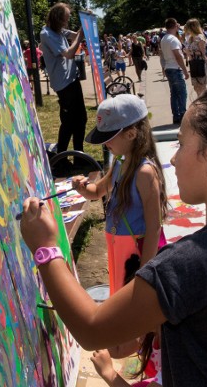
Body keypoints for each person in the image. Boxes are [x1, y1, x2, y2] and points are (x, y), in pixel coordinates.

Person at [20, 86, 207, 387]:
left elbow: (91, 330)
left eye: (181, 144)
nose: (175, 159)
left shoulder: (186, 264)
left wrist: (47, 249)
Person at [70, 94, 168, 294]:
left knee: (137, 308)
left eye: (108, 138)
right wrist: (82, 188)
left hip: (138, 252)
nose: (105, 144)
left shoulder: (144, 172)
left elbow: (154, 228)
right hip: (120, 248)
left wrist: (145, 272)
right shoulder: (120, 163)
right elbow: (97, 191)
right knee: (121, 297)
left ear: (131, 134)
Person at [39, 2, 88, 155]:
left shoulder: (59, 30)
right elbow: (68, 53)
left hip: (72, 79)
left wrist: (86, 21)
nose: (66, 22)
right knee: (69, 122)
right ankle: (61, 157)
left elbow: (75, 34)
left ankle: (78, 155)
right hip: (63, 85)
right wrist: (79, 38)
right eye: (65, 19)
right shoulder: (47, 34)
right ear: (57, 18)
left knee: (81, 119)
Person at [159, 18, 190, 124]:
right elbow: (178, 56)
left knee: (174, 93)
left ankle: (176, 116)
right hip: (175, 68)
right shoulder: (173, 39)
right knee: (182, 93)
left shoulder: (164, 39)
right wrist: (185, 71)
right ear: (174, 26)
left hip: (169, 67)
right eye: (177, 24)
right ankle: (182, 115)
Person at [184, 19, 207, 97]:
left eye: (188, 26)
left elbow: (202, 53)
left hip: (200, 62)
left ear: (192, 27)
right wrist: (187, 52)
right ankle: (200, 100)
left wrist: (190, 52)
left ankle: (204, 102)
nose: (186, 28)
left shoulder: (200, 37)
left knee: (201, 85)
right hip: (193, 62)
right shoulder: (190, 38)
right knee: (196, 86)